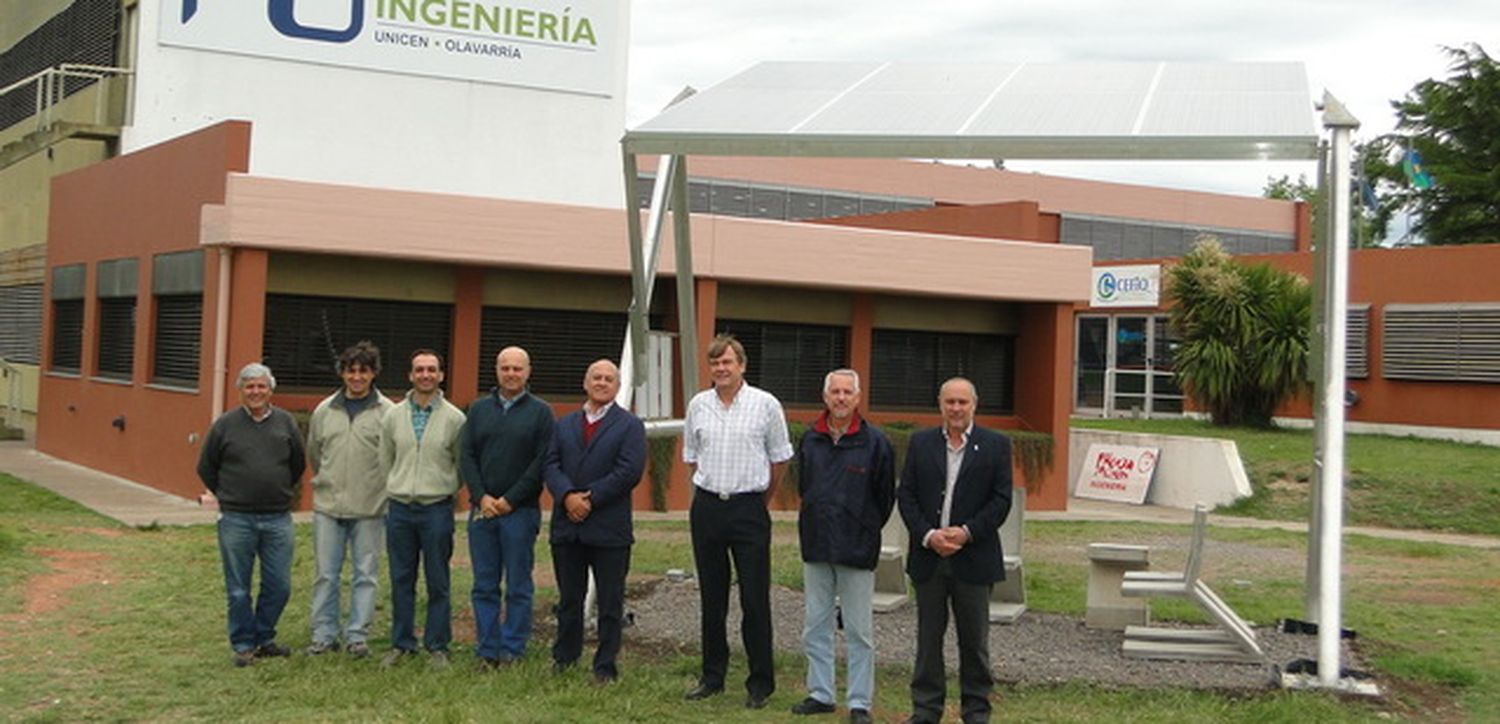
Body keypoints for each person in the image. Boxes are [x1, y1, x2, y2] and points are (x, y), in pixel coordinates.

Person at [681, 335, 794, 710]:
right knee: (712, 598)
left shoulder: (765, 405)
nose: (721, 369)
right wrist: (713, 493)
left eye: (727, 362)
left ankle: (760, 683)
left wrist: (758, 500)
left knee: (754, 597)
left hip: (749, 510)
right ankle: (712, 677)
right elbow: (693, 458)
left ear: (741, 365)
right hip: (709, 509)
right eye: (715, 363)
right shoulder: (698, 405)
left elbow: (779, 459)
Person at [896, 378, 1013, 724]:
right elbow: (907, 496)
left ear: (974, 405)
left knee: (974, 642)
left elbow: (1001, 500)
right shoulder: (921, 443)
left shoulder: (995, 445)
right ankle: (926, 710)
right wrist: (929, 535)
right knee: (928, 640)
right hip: (930, 559)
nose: (956, 408)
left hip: (974, 559)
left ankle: (976, 711)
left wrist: (966, 533)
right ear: (940, 404)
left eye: (962, 402)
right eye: (950, 402)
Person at [791, 369, 895, 724]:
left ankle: (859, 701)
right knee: (815, 624)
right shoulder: (810, 440)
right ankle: (820, 693)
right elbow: (805, 487)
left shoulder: (875, 443)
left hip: (857, 548)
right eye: (834, 392)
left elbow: (884, 499)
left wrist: (863, 528)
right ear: (825, 397)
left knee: (858, 630)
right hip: (817, 544)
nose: (840, 398)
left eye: (847, 392)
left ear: (857, 397)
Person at [543, 359, 646, 684]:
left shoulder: (630, 426)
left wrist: (589, 498)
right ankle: (565, 657)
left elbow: (629, 471)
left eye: (609, 379)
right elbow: (550, 464)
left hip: (608, 528)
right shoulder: (564, 424)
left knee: (610, 602)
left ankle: (605, 666)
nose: (602, 383)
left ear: (617, 387)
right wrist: (568, 496)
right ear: (585, 384)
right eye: (596, 378)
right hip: (567, 527)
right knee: (569, 599)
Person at [196, 362, 306, 668]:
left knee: (279, 584)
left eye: (261, 386)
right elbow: (206, 466)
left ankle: (264, 637)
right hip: (236, 519)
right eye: (250, 386)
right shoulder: (225, 425)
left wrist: (276, 489)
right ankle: (244, 645)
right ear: (241, 391)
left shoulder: (286, 423)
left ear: (271, 390)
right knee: (238, 587)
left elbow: (297, 464)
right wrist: (230, 494)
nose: (256, 392)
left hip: (277, 519)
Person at [460, 346, 555, 667]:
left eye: (517, 369)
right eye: (505, 368)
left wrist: (510, 499)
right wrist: (481, 497)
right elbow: (467, 456)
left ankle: (513, 648)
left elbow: (542, 462)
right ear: (496, 371)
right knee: (484, 585)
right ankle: (487, 650)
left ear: (528, 372)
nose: (511, 374)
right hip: (483, 511)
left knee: (518, 585)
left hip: (520, 512)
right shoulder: (478, 409)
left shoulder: (541, 413)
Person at [305, 341, 395, 659]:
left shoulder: (388, 413)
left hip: (370, 508)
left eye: (363, 371)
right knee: (326, 574)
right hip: (328, 506)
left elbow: (393, 458)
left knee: (365, 575)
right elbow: (315, 453)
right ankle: (324, 634)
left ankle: (357, 635)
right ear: (342, 373)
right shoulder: (324, 410)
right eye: (351, 371)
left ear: (373, 373)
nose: (357, 377)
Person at [378, 349, 466, 669]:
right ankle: (402, 644)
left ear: (441, 375)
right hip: (400, 509)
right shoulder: (393, 415)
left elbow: (460, 464)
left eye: (432, 369)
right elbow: (385, 458)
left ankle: (438, 645)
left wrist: (441, 488)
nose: (425, 375)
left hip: (436, 510)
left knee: (438, 579)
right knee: (401, 578)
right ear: (410, 375)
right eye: (419, 369)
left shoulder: (455, 418)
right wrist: (397, 485)